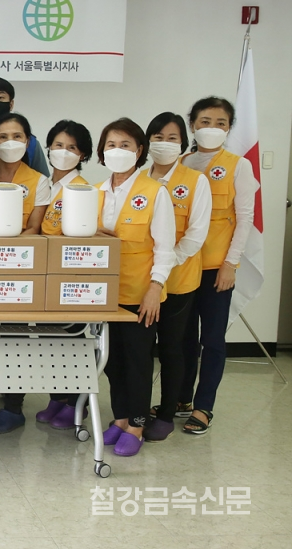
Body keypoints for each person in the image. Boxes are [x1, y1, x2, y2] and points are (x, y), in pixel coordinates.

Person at [96, 118, 176, 457]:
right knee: (112, 362)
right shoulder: (97, 192)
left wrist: (155, 288)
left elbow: (165, 248)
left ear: (139, 150)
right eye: (111, 145)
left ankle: (138, 425)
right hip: (103, 295)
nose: (118, 151)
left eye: (125, 145)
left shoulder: (156, 192)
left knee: (138, 361)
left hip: (140, 295)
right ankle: (121, 418)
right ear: (102, 151)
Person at [178, 97, 256, 436]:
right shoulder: (180, 162)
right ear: (192, 125)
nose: (212, 128)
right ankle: (181, 399)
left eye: (220, 123)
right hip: (183, 267)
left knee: (212, 339)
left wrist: (230, 264)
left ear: (229, 128)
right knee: (182, 339)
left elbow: (245, 219)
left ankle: (203, 406)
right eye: (205, 121)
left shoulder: (238, 165)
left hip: (215, 268)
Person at [0, 112, 52, 433]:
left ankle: (13, 406)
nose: (10, 142)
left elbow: (34, 228)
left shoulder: (38, 181)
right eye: (3, 137)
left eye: (17, 136)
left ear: (28, 141)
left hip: (17, 269)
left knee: (14, 337)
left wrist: (3, 252)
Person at [143, 112, 211, 442]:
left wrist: (166, 264)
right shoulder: (139, 179)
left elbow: (196, 235)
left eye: (172, 138)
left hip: (179, 279)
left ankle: (167, 412)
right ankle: (139, 410)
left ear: (183, 143)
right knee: (142, 349)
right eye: (158, 137)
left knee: (172, 348)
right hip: (141, 282)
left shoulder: (196, 181)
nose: (164, 144)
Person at [35, 119, 94, 429]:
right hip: (49, 277)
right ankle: (57, 398)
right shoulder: (48, 185)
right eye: (58, 145)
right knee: (53, 343)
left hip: (71, 279)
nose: (63, 151)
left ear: (82, 154)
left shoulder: (80, 189)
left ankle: (77, 403)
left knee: (74, 342)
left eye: (72, 147)